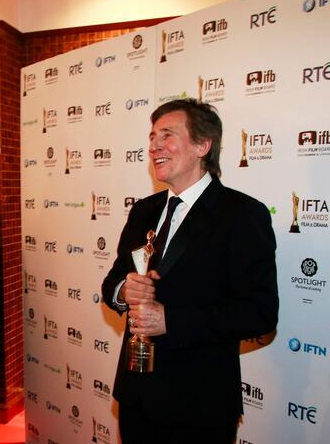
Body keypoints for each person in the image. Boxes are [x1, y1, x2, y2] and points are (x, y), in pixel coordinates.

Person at [101, 98, 278, 444]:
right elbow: (112, 282)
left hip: (198, 406)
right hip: (135, 396)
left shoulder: (242, 215)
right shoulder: (143, 211)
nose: (153, 146)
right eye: (151, 137)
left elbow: (260, 314)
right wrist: (124, 290)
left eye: (167, 135)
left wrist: (171, 321)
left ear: (202, 145)